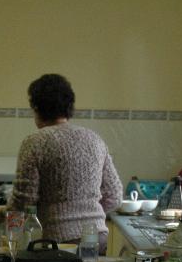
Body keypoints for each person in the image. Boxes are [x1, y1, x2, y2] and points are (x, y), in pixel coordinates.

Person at [8, 73, 122, 252]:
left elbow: (24, 201)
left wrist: (1, 215)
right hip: (96, 236)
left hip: (56, 242)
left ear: (37, 108)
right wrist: (88, 214)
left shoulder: (35, 142)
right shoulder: (94, 139)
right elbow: (114, 196)